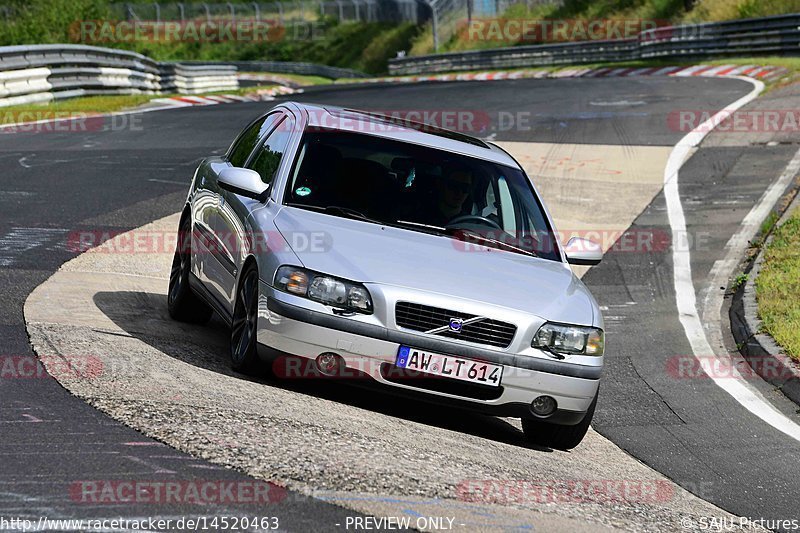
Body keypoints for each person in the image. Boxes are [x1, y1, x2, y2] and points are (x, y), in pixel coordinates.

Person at [414, 163, 474, 227]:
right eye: (454, 186)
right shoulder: (419, 218)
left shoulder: (470, 225)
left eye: (465, 188)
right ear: (441, 185)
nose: (459, 192)